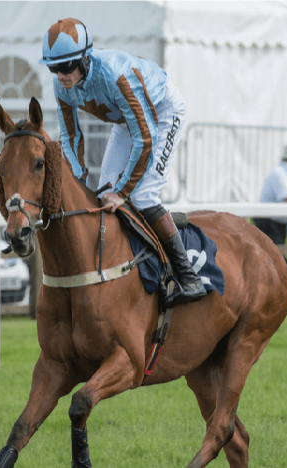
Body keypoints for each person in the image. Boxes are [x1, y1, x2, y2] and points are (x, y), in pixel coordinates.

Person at [39, 18, 205, 307]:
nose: (61, 75)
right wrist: (78, 180)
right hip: (127, 123)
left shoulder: (117, 76)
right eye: (54, 68)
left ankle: (188, 276)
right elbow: (71, 136)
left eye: (66, 67)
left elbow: (146, 138)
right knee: (103, 193)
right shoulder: (61, 87)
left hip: (163, 113)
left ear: (85, 58)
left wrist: (124, 191)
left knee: (139, 194)